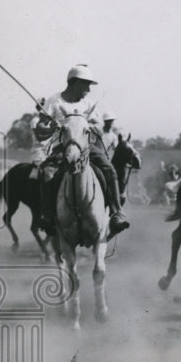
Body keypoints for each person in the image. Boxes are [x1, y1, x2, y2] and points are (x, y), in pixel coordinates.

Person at [33, 65, 130, 238]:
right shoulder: (54, 101)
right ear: (75, 82)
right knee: (47, 173)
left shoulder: (89, 104)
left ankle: (117, 213)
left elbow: (100, 127)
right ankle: (47, 215)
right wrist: (51, 127)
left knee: (109, 170)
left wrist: (87, 125)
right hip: (61, 147)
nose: (88, 89)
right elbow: (40, 126)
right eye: (86, 84)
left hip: (87, 147)